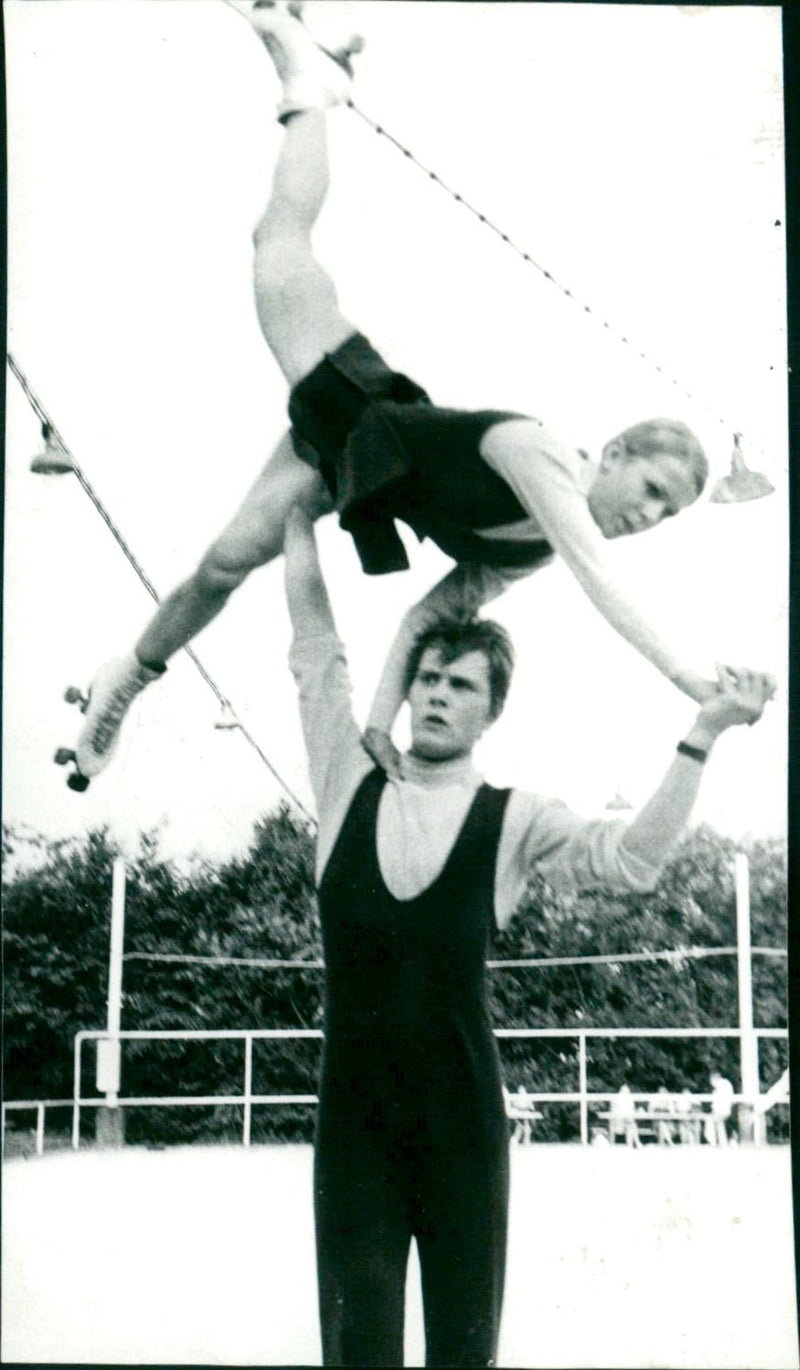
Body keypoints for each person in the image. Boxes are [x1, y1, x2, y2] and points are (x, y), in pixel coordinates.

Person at [72, 0, 736, 784]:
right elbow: (602, 577)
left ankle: (128, 675)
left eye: (666, 515)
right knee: (278, 243)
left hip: (348, 468)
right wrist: (696, 681)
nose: (648, 516)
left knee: (220, 569)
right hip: (349, 394)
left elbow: (429, 615)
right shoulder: (538, 456)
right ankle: (306, 87)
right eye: (653, 489)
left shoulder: (531, 551)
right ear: (616, 451)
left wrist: (378, 726)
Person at [281, 502, 772, 1367]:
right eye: (427, 676)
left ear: (488, 712)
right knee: (356, 1352)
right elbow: (315, 646)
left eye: (459, 684)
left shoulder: (514, 818)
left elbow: (632, 864)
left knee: (465, 1355)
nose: (434, 692)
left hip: (462, 1124)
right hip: (352, 1125)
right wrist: (293, 514)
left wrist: (701, 735)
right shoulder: (344, 780)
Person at [707, 1070, 735, 1146]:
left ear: (714, 1079)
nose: (711, 1084)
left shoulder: (720, 1086)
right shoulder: (727, 1083)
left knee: (710, 1120)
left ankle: (713, 1141)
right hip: (727, 1109)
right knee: (718, 1123)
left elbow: (716, 1101)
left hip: (721, 1110)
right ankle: (722, 1142)